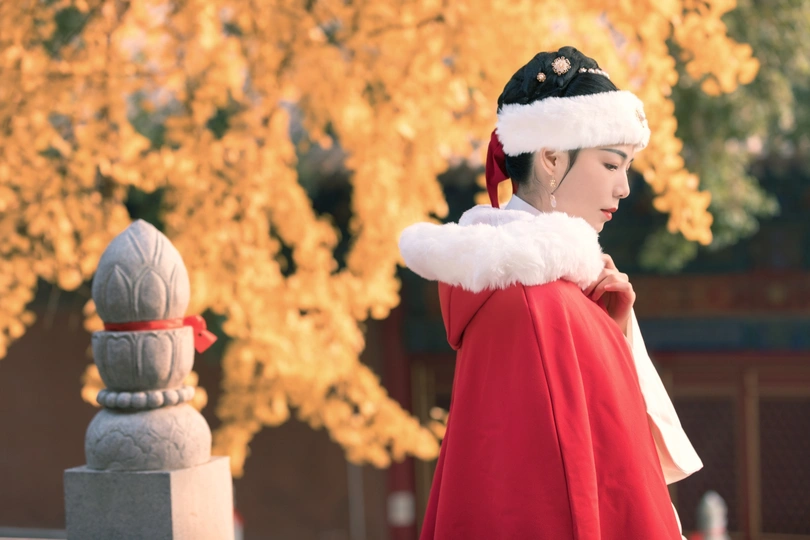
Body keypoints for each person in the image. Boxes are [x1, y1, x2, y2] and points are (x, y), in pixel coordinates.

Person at [399, 46, 703, 540]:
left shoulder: (541, 293)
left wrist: (609, 328)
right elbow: (556, 497)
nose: (624, 188)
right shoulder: (538, 304)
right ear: (551, 158)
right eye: (611, 164)